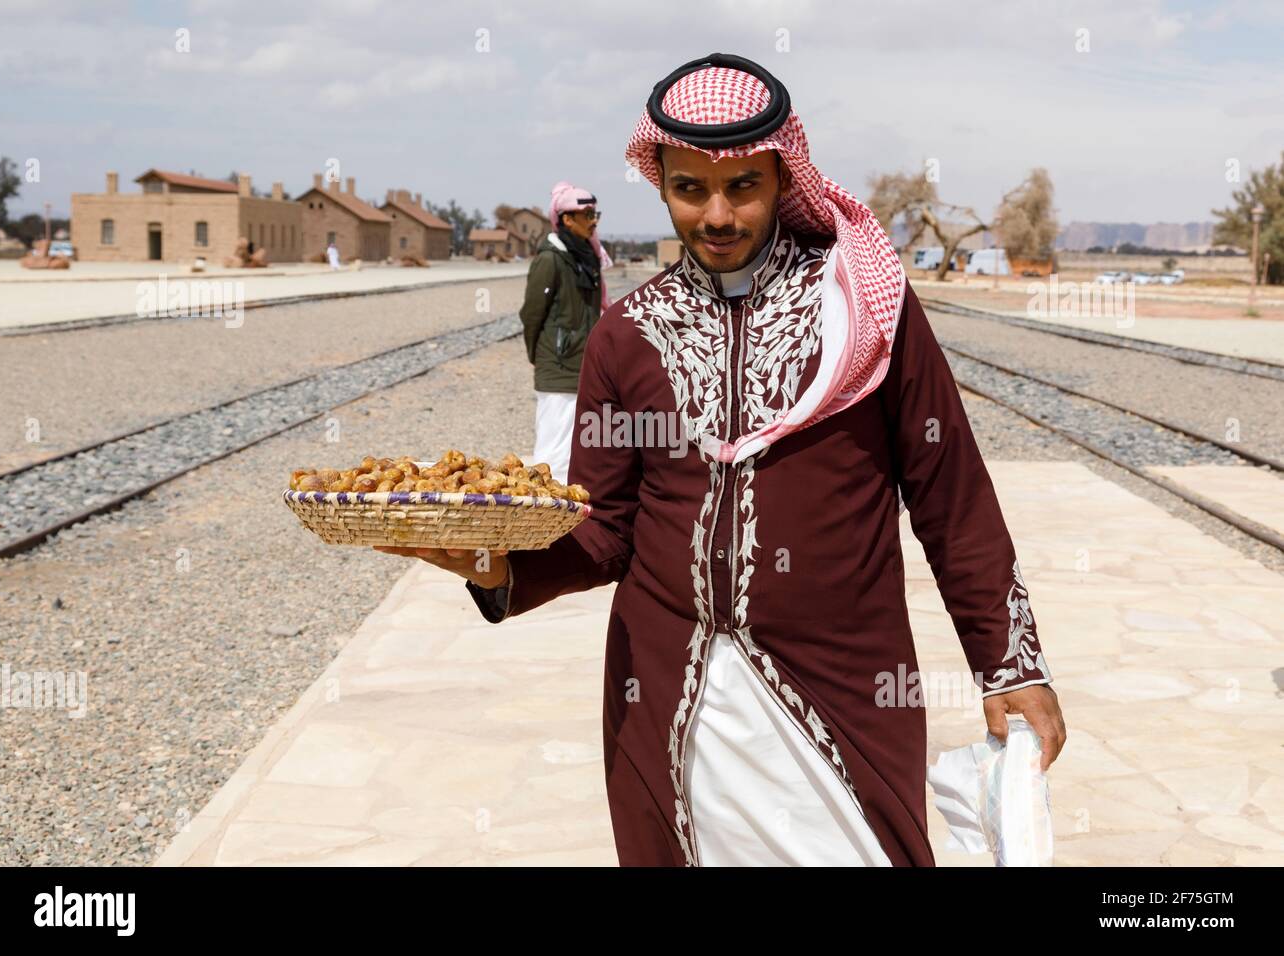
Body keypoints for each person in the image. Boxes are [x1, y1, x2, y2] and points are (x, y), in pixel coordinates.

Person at [378, 53, 1066, 866]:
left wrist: (1007, 659)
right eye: (689, 189)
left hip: (841, 686)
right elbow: (608, 532)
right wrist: (496, 565)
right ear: (659, 182)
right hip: (672, 698)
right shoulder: (626, 335)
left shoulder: (863, 310)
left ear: (782, 178)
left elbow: (950, 496)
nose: (717, 214)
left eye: (742, 186)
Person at [518, 182, 611, 484]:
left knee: (581, 446)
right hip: (559, 366)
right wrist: (543, 356)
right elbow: (532, 314)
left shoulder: (587, 257)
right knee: (553, 452)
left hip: (583, 365)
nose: (593, 220)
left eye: (595, 213)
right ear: (567, 219)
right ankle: (545, 520)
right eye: (586, 214)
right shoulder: (551, 259)